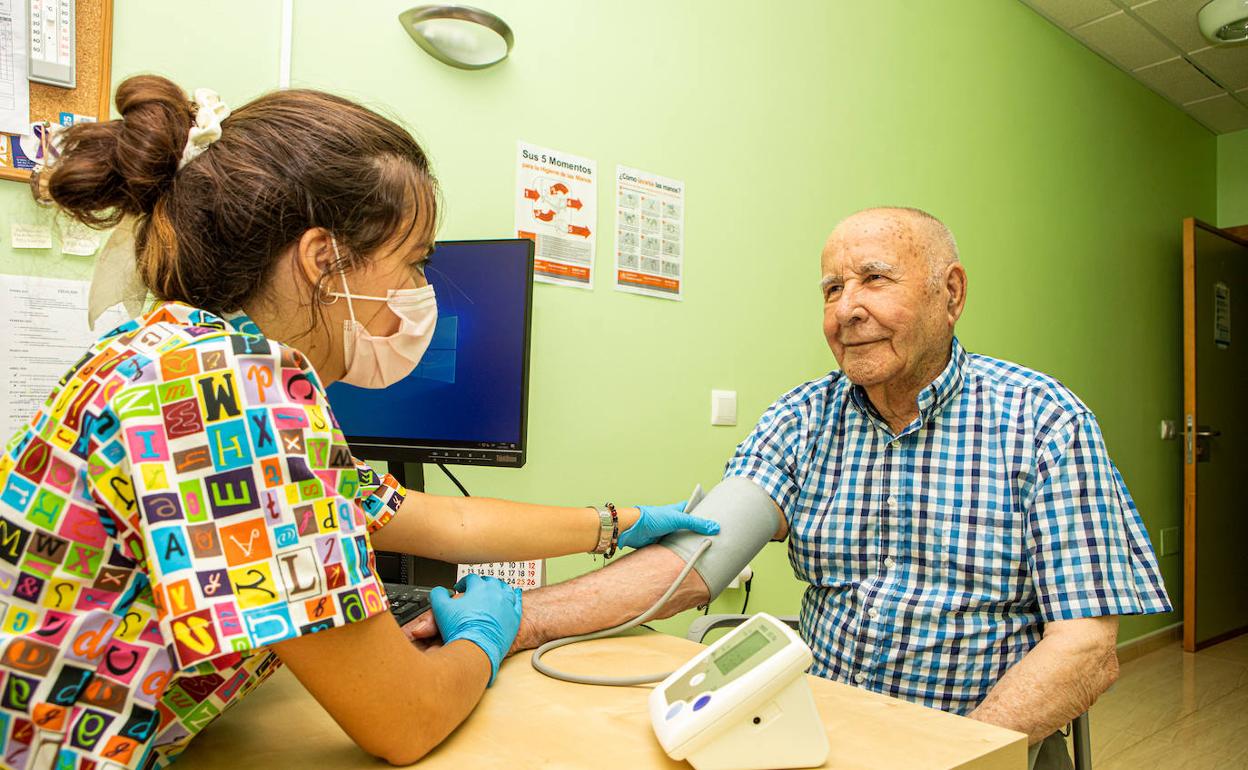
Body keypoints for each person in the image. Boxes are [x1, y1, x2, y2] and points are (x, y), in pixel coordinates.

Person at [0, 76, 718, 770]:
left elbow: (421, 518)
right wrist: (487, 638)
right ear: (322, 260)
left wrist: (614, 522)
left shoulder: (177, 353)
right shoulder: (227, 394)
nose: (419, 294)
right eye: (412, 263)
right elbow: (403, 721)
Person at [411, 206, 1172, 770]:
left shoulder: (1044, 421)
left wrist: (958, 752)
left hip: (971, 735)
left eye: (875, 279)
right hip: (817, 735)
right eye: (832, 287)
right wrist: (516, 618)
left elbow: (1085, 648)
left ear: (952, 293)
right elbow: (689, 565)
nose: (846, 309)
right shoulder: (805, 417)